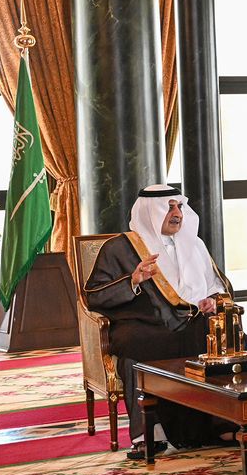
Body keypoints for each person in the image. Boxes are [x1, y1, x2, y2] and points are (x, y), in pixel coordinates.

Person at [83, 185, 231, 458]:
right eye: (169, 207)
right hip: (143, 324)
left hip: (190, 321)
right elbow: (94, 295)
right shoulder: (120, 248)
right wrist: (133, 280)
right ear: (150, 212)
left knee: (223, 334)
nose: (177, 214)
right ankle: (148, 434)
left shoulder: (194, 244)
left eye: (180, 207)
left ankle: (222, 423)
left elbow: (217, 286)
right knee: (134, 348)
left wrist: (211, 300)